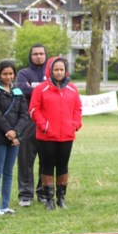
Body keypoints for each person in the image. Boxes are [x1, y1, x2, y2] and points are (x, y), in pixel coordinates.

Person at [29, 56, 82, 210]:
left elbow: (78, 109)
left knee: (63, 166)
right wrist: (44, 125)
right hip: (46, 136)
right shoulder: (41, 89)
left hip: (66, 135)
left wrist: (75, 124)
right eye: (56, 70)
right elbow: (33, 110)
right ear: (50, 71)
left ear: (65, 71)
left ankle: (61, 198)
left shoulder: (72, 89)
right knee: (47, 166)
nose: (59, 73)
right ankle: (49, 199)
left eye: (61, 70)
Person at [0, 59, 32, 215]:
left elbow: (24, 115)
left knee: (9, 172)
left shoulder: (18, 92)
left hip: (15, 138)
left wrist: (16, 132)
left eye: (11, 73)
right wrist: (8, 132)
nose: (8, 77)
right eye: (5, 73)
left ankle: (5, 205)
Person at [15, 44, 47, 207]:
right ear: (30, 56)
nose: (39, 56)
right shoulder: (23, 73)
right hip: (28, 121)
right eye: (35, 54)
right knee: (25, 160)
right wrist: (45, 91)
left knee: (46, 159)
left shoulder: (51, 72)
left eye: (41, 53)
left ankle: (43, 192)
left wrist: (35, 90)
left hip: (47, 122)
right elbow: (21, 89)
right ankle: (25, 194)